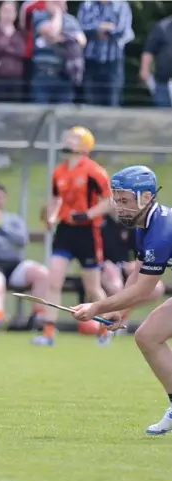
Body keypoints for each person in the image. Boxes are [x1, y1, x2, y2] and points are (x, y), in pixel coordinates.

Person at [71, 166, 172, 435]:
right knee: (148, 336)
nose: (119, 207)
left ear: (147, 197)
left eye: (125, 200)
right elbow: (137, 276)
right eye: (116, 200)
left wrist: (98, 306)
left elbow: (143, 291)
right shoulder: (143, 225)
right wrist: (121, 311)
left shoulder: (161, 229)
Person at [33, 126, 112, 347]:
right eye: (68, 136)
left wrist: (88, 214)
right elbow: (57, 199)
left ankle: (106, 328)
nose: (68, 139)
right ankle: (48, 333)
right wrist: (51, 216)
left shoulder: (95, 171)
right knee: (54, 280)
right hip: (65, 231)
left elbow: (109, 201)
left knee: (92, 287)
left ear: (86, 145)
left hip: (87, 232)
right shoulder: (59, 171)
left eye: (74, 137)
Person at [0, 184, 49, 328]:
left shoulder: (14, 219)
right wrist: (7, 241)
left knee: (42, 273)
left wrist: (0, 224)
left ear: (5, 199)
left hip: (14, 264)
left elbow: (22, 240)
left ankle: (38, 317)